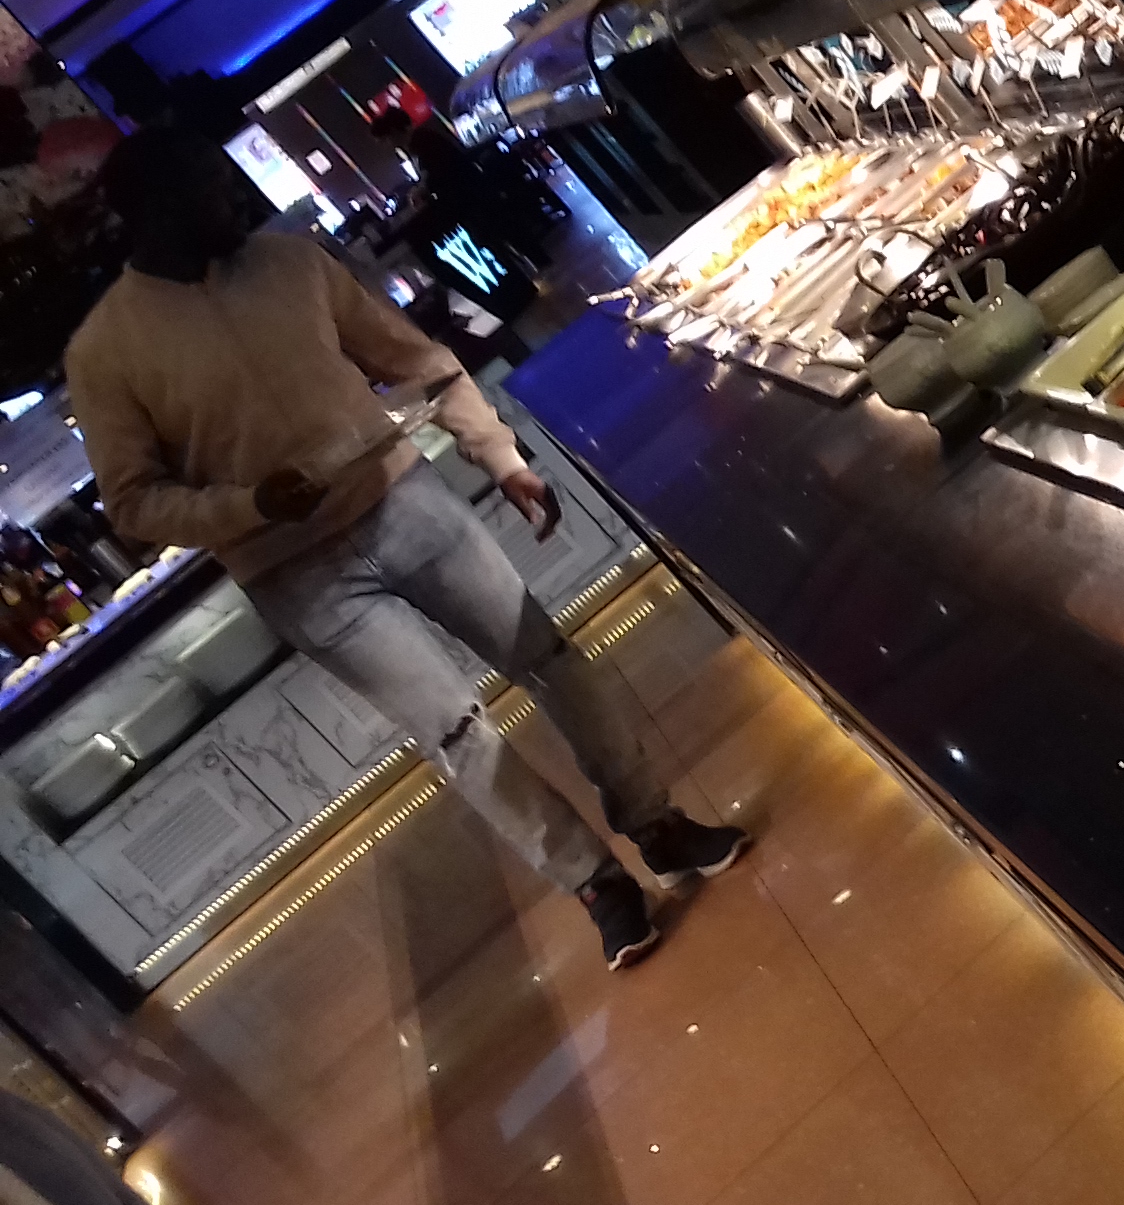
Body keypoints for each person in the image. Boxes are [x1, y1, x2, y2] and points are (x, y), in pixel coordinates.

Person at [63, 129, 742, 971]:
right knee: (455, 730)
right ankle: (596, 884)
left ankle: (657, 824)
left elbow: (419, 360)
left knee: (550, 658)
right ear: (156, 211)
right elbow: (134, 504)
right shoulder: (105, 352)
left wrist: (499, 456)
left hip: (403, 501)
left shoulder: (292, 264)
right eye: (210, 183)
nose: (234, 195)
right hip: (296, 576)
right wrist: (249, 505)